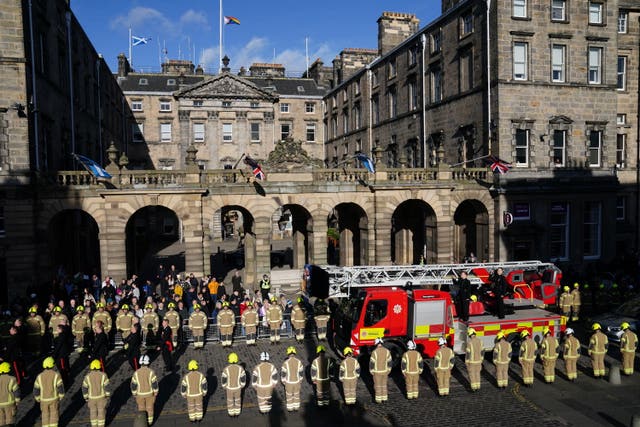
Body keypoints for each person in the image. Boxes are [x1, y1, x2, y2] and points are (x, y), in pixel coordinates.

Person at [34, 357, 65, 427]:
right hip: (54, 399)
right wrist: (61, 396)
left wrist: (38, 398)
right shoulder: (56, 375)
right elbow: (60, 387)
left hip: (43, 400)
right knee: (54, 415)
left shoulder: (39, 376)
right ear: (52, 365)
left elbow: (36, 389)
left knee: (45, 415)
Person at [130, 354, 158, 426]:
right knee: (150, 408)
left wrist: (134, 393)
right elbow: (154, 384)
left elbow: (133, 385)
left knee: (141, 408)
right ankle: (150, 422)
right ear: (148, 362)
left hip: (139, 395)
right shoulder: (151, 372)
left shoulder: (136, 373)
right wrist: (156, 392)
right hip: (150, 394)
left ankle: (143, 422)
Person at [82, 359, 110, 427]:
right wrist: (107, 395)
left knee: (93, 413)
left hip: (91, 398)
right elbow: (107, 387)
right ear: (99, 366)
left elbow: (84, 388)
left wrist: (86, 397)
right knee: (101, 413)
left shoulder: (87, 377)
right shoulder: (103, 375)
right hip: (101, 397)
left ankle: (94, 425)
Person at [222, 352, 246, 417]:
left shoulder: (226, 369)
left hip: (229, 388)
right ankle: (237, 412)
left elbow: (224, 380)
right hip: (238, 388)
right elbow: (243, 379)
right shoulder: (241, 369)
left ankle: (231, 413)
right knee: (238, 400)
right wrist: (242, 386)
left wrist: (224, 387)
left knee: (230, 401)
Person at [281, 346, 304, 411]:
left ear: (288, 354)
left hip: (288, 382)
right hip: (297, 382)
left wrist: (283, 381)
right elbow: (301, 372)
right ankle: (296, 407)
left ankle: (290, 408)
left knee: (289, 395)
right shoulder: (299, 362)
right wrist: (300, 380)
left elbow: (283, 374)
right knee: (296, 395)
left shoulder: (285, 363)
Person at [369, 338, 392, 403]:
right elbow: (390, 362)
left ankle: (378, 399)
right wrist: (389, 370)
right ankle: (384, 398)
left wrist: (371, 371)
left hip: (377, 372)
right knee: (384, 385)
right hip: (385, 371)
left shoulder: (374, 352)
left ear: (376, 344)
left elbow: (372, 363)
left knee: (377, 385)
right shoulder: (387, 351)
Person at [0, 362, 20, 426]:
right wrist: (17, 401)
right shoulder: (12, 379)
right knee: (10, 421)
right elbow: (16, 392)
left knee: (1, 421)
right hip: (9, 403)